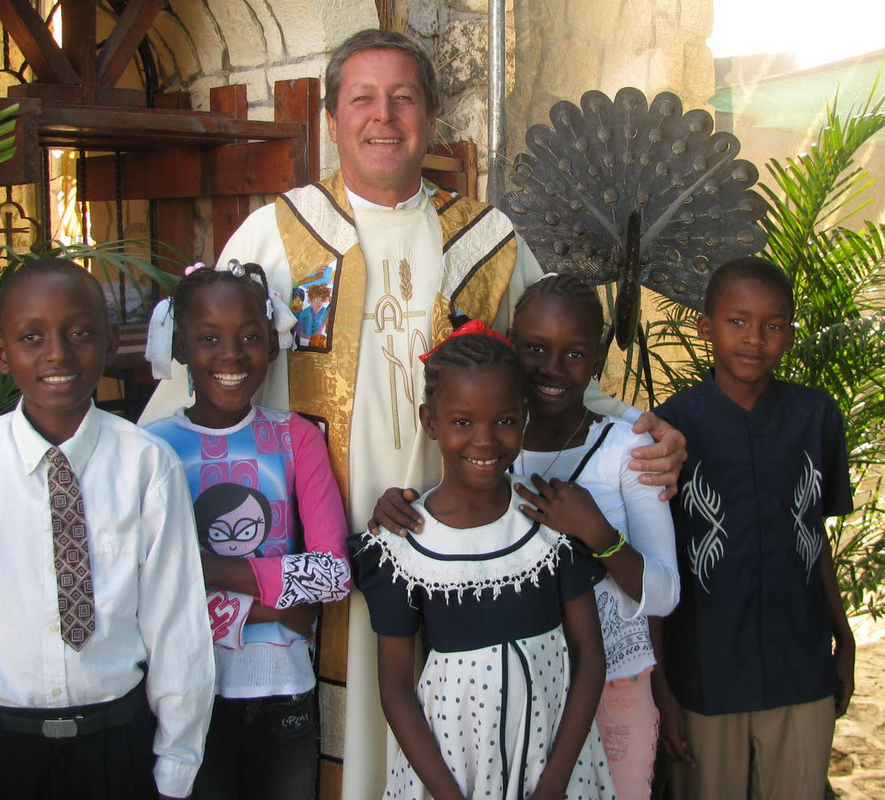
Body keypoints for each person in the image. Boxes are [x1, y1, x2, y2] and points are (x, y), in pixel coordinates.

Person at [138, 29, 687, 797]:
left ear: (430, 117)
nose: (383, 116)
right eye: (361, 98)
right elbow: (193, 385)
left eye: (403, 97)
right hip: (322, 560)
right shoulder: (279, 234)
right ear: (331, 119)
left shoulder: (486, 241)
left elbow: (554, 368)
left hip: (470, 547)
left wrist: (639, 427)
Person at [0, 259, 215, 800]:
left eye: (81, 333)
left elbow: (176, 628)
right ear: (1, 353)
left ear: (111, 341)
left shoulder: (146, 464)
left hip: (116, 746)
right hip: (1, 752)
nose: (58, 355)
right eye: (31, 337)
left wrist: (174, 772)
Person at [372, 275, 680, 799]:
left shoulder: (630, 447)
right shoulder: (488, 431)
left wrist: (596, 534)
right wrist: (391, 510)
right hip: (489, 713)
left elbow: (666, 595)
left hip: (606, 684)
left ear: (597, 357)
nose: (553, 368)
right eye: (536, 348)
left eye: (575, 353)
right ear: (511, 344)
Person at [350, 327, 615, 799]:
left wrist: (554, 782)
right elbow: (394, 687)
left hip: (556, 765)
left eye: (505, 420)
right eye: (462, 422)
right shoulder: (402, 550)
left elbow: (590, 658)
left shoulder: (551, 524)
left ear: (525, 417)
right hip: (453, 771)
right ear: (430, 422)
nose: (485, 441)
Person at [142, 260, 351, 800]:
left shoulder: (296, 439)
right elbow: (145, 590)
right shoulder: (150, 448)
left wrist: (200, 568)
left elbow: (330, 575)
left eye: (250, 337)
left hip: (284, 693)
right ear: (181, 346)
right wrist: (279, 603)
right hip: (185, 694)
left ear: (273, 344)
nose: (231, 355)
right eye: (209, 338)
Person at [650, 257, 855, 800]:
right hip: (706, 675)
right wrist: (662, 690)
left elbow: (816, 539)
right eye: (737, 321)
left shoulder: (816, 417)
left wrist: (845, 637)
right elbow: (655, 569)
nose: (754, 339)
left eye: (774, 324)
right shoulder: (672, 428)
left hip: (801, 667)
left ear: (790, 331)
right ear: (706, 327)